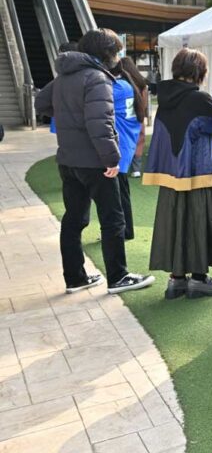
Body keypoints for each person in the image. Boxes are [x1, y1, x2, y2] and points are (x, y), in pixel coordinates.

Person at [34, 29, 154, 295]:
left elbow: (40, 102)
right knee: (113, 219)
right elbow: (100, 124)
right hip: (95, 162)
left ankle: (75, 278)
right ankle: (118, 277)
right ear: (106, 53)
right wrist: (111, 158)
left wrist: (67, 115)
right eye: (115, 50)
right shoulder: (97, 78)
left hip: (68, 160)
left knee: (74, 219)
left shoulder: (65, 76)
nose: (118, 56)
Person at [144, 48, 212, 299]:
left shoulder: (164, 101)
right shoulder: (199, 99)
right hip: (200, 173)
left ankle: (176, 280)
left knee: (176, 222)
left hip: (172, 177)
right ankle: (199, 278)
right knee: (201, 221)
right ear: (200, 72)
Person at [112, 57, 146, 241]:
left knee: (118, 195)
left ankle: (124, 230)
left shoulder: (118, 87)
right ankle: (126, 230)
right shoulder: (132, 86)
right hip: (126, 143)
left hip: (119, 146)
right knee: (121, 192)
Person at [116, 57, 150, 178]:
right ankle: (136, 169)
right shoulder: (141, 83)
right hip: (138, 116)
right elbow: (144, 104)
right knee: (139, 141)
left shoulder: (121, 84)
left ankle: (123, 166)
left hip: (124, 117)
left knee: (123, 141)